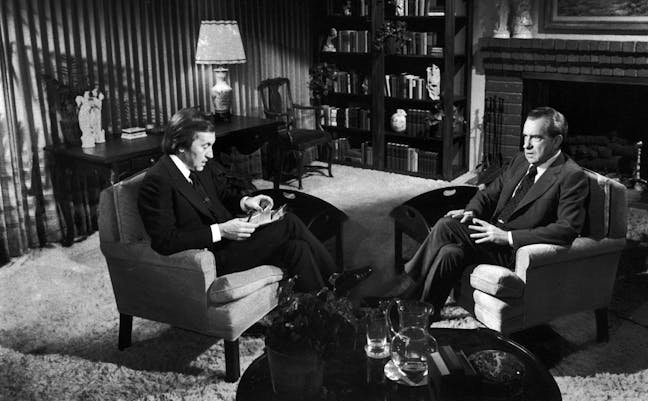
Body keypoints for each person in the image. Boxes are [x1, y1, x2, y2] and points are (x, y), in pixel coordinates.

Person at [137, 108, 371, 293]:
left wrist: (246, 202)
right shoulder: (158, 181)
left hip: (232, 244)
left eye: (212, 146)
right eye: (205, 146)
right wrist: (221, 231)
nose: (210, 154)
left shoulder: (198, 164)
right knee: (288, 223)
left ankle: (324, 310)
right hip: (210, 259)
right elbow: (164, 241)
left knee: (297, 248)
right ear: (179, 146)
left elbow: (225, 194)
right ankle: (337, 279)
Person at [400, 106, 589, 317]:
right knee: (449, 253)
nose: (526, 145)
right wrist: (471, 211)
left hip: (514, 251)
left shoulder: (571, 176)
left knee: (446, 226)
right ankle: (422, 318)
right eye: (524, 136)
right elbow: (488, 194)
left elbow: (567, 229)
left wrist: (507, 237)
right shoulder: (521, 160)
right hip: (489, 235)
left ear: (556, 141)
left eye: (535, 138)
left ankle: (405, 297)